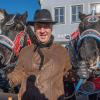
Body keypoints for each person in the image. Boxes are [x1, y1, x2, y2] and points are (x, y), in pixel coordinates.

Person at [7, 9, 71, 100]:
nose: (42, 30)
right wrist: (9, 80)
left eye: (46, 26)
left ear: (51, 28)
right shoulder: (25, 51)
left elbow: (69, 75)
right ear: (34, 29)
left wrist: (77, 73)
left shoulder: (61, 51)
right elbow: (19, 73)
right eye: (38, 26)